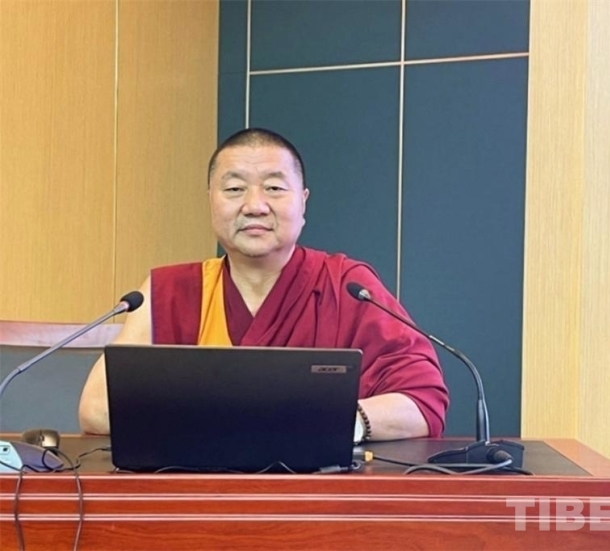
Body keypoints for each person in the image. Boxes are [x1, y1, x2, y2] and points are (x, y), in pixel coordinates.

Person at [78, 127, 449, 441]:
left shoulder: (346, 286)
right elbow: (96, 409)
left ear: (303, 202)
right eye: (234, 189)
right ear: (210, 201)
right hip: (197, 490)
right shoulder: (172, 290)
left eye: (273, 188)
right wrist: (252, 421)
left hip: (318, 493)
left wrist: (337, 423)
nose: (255, 205)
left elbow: (423, 402)